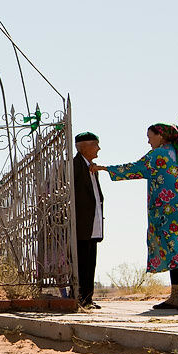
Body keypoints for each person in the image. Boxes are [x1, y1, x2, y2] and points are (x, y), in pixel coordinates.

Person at [91, 123, 178, 310]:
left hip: (165, 215)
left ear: (160, 136)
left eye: (149, 136)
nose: (148, 140)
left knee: (174, 255)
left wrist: (105, 169)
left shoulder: (157, 155)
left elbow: (135, 168)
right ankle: (175, 297)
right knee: (175, 253)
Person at [73, 132, 104, 309]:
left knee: (91, 261)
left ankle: (88, 298)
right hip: (83, 223)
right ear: (83, 146)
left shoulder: (92, 167)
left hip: (94, 223)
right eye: (95, 144)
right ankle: (82, 298)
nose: (98, 148)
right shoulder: (75, 166)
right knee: (83, 262)